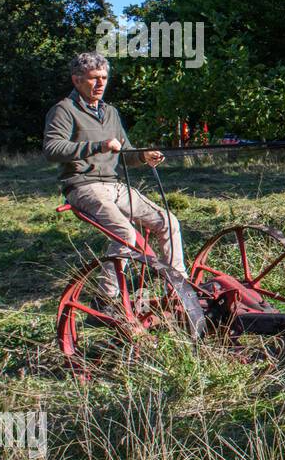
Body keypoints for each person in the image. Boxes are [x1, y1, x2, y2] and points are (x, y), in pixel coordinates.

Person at [43, 52, 185, 293]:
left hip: (114, 185)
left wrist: (143, 156)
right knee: (124, 233)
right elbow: (52, 149)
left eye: (104, 78)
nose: (100, 84)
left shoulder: (110, 112)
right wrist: (98, 146)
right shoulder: (63, 110)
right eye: (93, 78)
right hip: (82, 185)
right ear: (76, 80)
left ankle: (180, 287)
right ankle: (107, 297)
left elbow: (125, 153)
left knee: (168, 222)